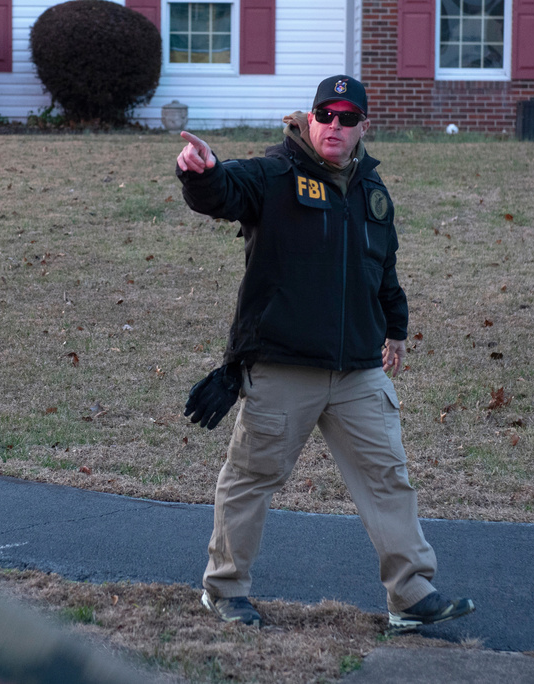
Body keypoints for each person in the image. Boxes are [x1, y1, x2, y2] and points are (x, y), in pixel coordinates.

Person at [176, 75, 474, 630]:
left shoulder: (371, 192)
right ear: (310, 119)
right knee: (250, 479)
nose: (334, 126)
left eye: (346, 117)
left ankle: (410, 595)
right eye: (325, 115)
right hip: (284, 365)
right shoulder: (274, 173)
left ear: (364, 126)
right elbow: (224, 192)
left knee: (389, 478)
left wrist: (396, 330)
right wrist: (202, 174)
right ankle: (224, 590)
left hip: (359, 369)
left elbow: (382, 270)